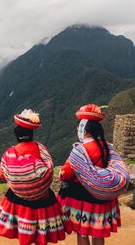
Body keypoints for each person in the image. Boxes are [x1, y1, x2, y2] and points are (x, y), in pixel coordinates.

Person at [0, 109, 69, 245]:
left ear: (16, 135)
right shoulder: (41, 149)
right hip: (43, 199)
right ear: (32, 134)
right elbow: (49, 168)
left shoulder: (9, 153)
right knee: (41, 235)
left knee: (24, 235)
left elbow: (2, 175)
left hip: (18, 201)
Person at [58, 104, 120, 245]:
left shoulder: (81, 150)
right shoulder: (106, 146)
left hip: (82, 197)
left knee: (82, 232)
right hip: (102, 196)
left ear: (85, 131)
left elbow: (66, 173)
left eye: (79, 127)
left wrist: (62, 174)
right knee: (97, 233)